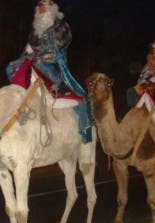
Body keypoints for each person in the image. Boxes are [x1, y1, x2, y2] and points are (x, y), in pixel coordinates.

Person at [6, 0, 94, 143]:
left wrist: (38, 51)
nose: (40, 10)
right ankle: (20, 101)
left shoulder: (60, 25)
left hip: (51, 63)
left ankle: (59, 84)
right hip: (34, 60)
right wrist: (27, 53)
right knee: (11, 67)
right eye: (39, 7)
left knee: (40, 63)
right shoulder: (36, 29)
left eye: (44, 8)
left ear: (51, 9)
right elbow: (29, 47)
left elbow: (61, 43)